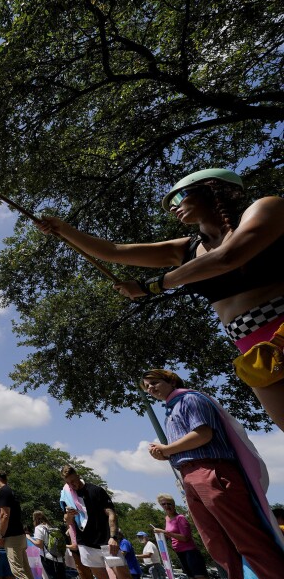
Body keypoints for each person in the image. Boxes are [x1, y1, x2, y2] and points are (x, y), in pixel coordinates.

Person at [35, 169, 284, 430]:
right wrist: (62, 229)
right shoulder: (187, 248)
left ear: (211, 189)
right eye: (170, 206)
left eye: (178, 198)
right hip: (249, 346)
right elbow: (113, 251)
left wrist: (155, 285)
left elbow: (228, 257)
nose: (173, 208)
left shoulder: (267, 207)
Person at [143, 368, 284, 579]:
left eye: (153, 383)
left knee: (250, 543)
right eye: (146, 387)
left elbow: (203, 434)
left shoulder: (190, 399)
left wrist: (167, 449)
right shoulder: (171, 410)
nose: (150, 389)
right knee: (221, 549)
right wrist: (168, 454)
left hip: (213, 472)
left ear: (170, 379)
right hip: (190, 477)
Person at [61, 465, 165, 579]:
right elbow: (67, 521)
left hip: (106, 542)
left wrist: (113, 537)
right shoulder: (67, 496)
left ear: (78, 475)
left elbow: (111, 514)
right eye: (69, 483)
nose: (72, 485)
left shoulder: (95, 490)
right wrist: (69, 515)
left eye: (73, 481)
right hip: (86, 544)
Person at [153, 493, 229, 579]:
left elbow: (185, 537)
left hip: (191, 553)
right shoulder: (167, 519)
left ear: (173, 504)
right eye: (164, 504)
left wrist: (165, 533)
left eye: (169, 503)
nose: (167, 506)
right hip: (181, 554)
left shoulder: (180, 518)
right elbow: (172, 538)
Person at [28, 510, 79, 579]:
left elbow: (40, 545)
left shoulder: (39, 528)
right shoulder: (53, 527)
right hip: (59, 559)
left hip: (48, 558)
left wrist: (29, 538)